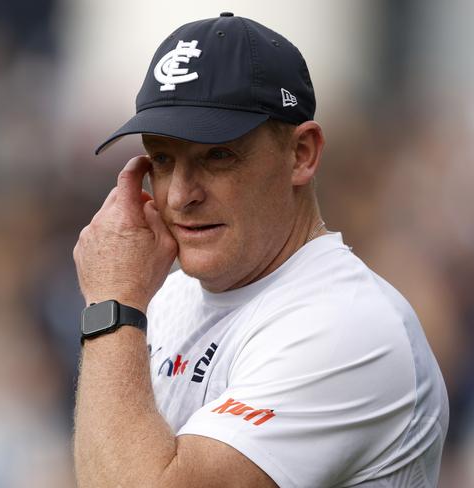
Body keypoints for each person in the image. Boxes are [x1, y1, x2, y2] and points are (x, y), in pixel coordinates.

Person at [72, 12, 449, 488]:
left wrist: (112, 303)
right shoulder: (164, 297)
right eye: (163, 159)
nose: (178, 195)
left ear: (301, 154)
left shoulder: (349, 325)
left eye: (218, 155)